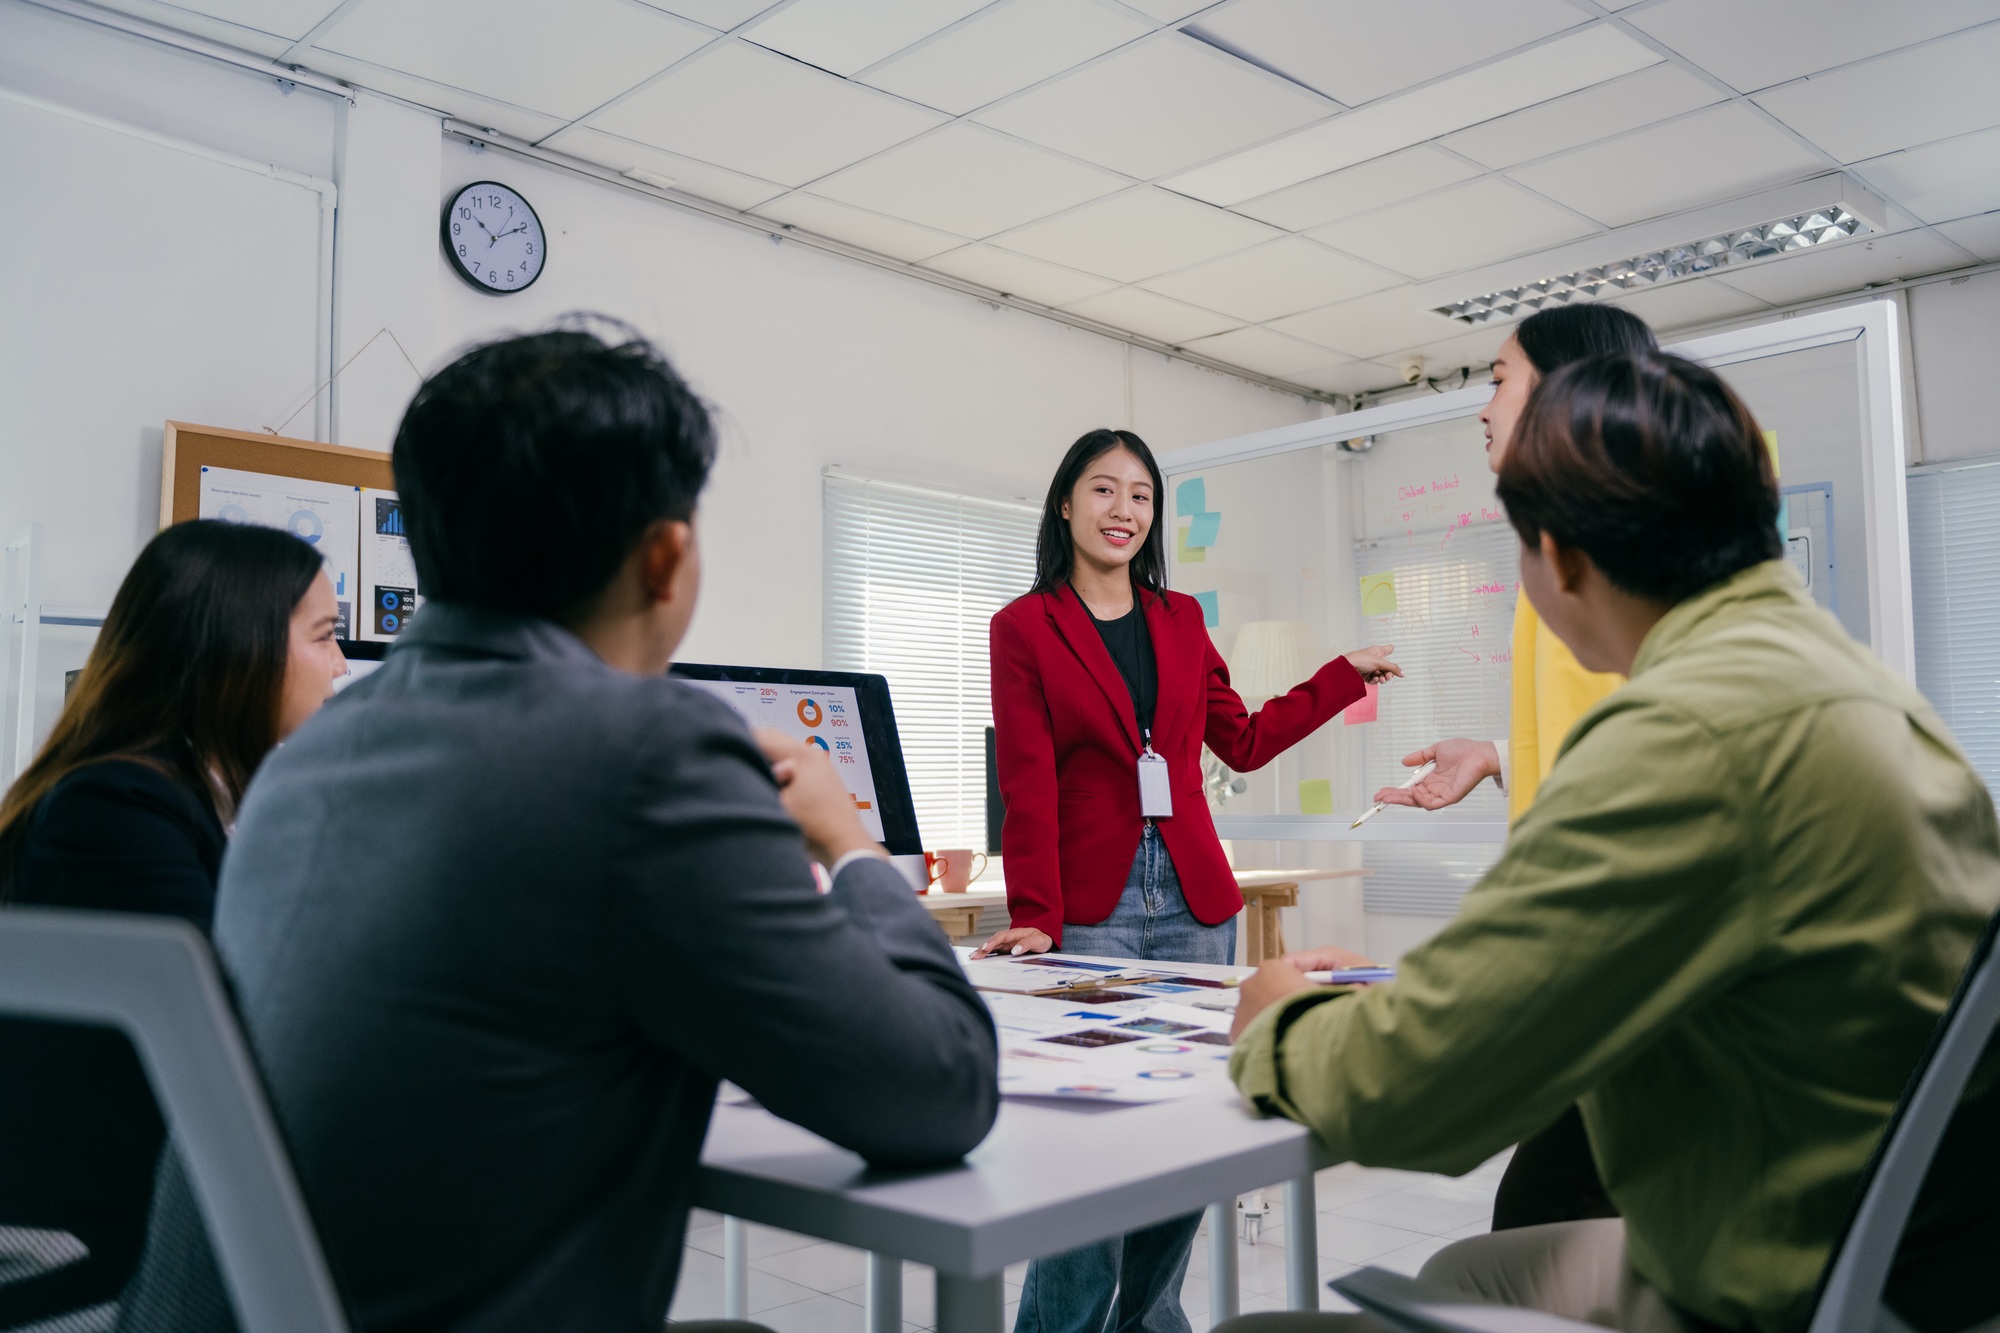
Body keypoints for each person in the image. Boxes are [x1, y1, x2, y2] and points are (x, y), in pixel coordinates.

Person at [116, 322, 1001, 1333]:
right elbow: (941, 1090)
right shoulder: (652, 754)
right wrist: (848, 843)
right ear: (665, 557)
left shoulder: (306, 758)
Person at [1225, 352, 2000, 1333]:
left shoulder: (1688, 734)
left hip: (1784, 1285)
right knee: (1470, 1264)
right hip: (1915, 1263)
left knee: (1258, 1330)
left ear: (1562, 556)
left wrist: (1276, 1024)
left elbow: (1418, 1099)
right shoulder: (1846, 686)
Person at [977, 428, 1398, 1333]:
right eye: (1103, 489)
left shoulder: (1181, 619)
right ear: (1065, 503)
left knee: (1185, 1141)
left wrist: (1336, 678)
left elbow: (1239, 738)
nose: (1124, 509)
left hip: (1196, 904)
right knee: (1089, 1159)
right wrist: (1036, 915)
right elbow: (1027, 780)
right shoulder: (1023, 627)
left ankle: (1150, 1319)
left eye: (1140, 495)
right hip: (1093, 909)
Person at [0, 519, 345, 1328]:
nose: (341, 667)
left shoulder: (194, 799)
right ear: (240, 647)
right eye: (325, 637)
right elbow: (233, 1029)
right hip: (105, 1251)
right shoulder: (116, 805)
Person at [1371, 304, 1659, 1232]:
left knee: (1530, 1228)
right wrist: (1497, 754)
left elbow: (1620, 814)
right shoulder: (1608, 535)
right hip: (1626, 1007)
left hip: (1626, 1012)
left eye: (1499, 377)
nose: (1483, 405)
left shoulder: (1590, 552)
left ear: (1567, 393)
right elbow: (1614, 739)